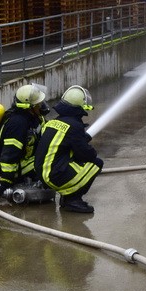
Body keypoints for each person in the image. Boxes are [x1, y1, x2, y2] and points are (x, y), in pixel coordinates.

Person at [35, 85, 103, 213]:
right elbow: (86, 155)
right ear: (78, 108)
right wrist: (87, 146)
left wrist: (81, 139)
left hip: (41, 173)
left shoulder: (54, 122)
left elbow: (62, 144)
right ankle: (73, 199)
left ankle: (66, 197)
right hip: (53, 176)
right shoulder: (74, 126)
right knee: (96, 163)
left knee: (73, 161)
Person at [0, 84, 48, 194]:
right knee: (48, 162)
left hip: (19, 158)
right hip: (1, 162)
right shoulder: (17, 125)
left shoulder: (32, 117)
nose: (41, 105)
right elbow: (9, 155)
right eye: (38, 104)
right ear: (29, 107)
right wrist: (6, 182)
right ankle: (21, 178)